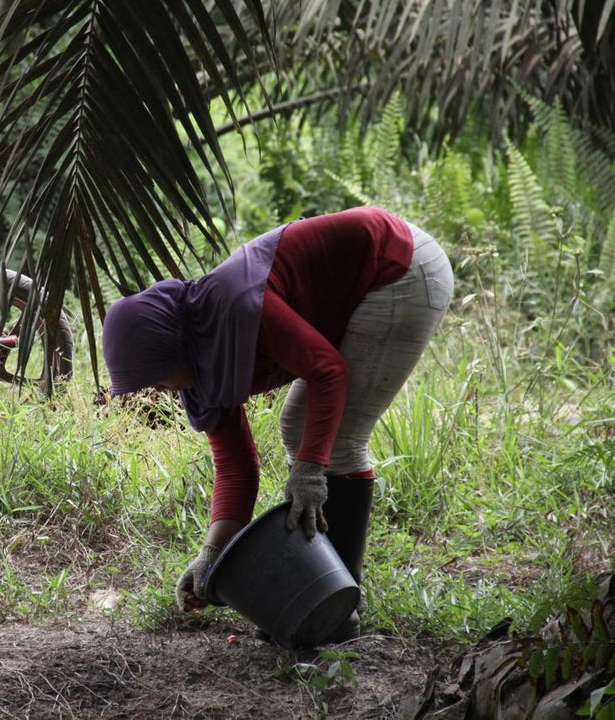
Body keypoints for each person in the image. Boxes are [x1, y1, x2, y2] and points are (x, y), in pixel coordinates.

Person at [102, 206, 453, 643]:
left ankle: (339, 613)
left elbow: (328, 372)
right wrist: (211, 554)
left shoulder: (236, 309)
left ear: (173, 350)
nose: (157, 389)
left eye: (155, 376)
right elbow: (236, 467)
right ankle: (325, 599)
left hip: (398, 266)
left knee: (334, 441)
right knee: (301, 428)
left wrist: (309, 472)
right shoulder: (202, 361)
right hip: (362, 281)